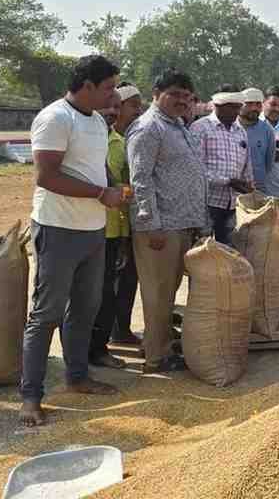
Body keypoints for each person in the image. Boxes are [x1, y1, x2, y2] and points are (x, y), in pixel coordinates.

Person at [20, 55, 123, 427]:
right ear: (88, 86)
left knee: (84, 309)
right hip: (58, 227)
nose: (114, 95)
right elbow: (46, 177)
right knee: (46, 313)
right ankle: (31, 396)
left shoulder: (95, 121)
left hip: (92, 230)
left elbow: (99, 165)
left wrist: (112, 188)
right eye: (109, 87)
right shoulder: (54, 118)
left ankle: (77, 376)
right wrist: (100, 193)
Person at [127, 68, 208, 375]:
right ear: (156, 94)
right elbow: (141, 179)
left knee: (168, 293)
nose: (182, 101)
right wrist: (150, 223)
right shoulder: (148, 128)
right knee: (158, 293)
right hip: (161, 227)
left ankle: (158, 343)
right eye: (174, 94)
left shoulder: (178, 126)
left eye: (187, 97)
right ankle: (156, 358)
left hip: (182, 223)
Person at [87, 86, 138, 369]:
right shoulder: (83, 138)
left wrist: (122, 191)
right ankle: (83, 352)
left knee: (107, 293)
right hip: (88, 227)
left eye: (117, 108)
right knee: (87, 295)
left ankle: (99, 348)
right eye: (109, 105)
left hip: (115, 228)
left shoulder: (120, 142)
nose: (112, 112)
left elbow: (124, 184)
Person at [191, 87, 254, 246]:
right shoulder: (200, 128)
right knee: (203, 251)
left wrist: (249, 187)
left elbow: (246, 166)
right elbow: (195, 170)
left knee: (228, 253)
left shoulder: (240, 131)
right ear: (218, 105)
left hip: (233, 205)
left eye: (238, 107)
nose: (236, 112)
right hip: (207, 204)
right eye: (232, 107)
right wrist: (227, 181)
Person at [108, 83, 144, 346]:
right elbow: (109, 185)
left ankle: (122, 328)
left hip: (127, 223)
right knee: (110, 283)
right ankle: (110, 332)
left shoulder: (129, 139)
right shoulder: (110, 142)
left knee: (128, 280)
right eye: (133, 105)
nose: (138, 111)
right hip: (107, 225)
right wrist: (140, 188)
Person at [239, 87, 276, 190]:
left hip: (257, 189)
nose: (254, 108)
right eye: (249, 104)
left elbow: (269, 163)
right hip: (232, 189)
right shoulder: (231, 126)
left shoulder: (267, 130)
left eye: (258, 104)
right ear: (240, 104)